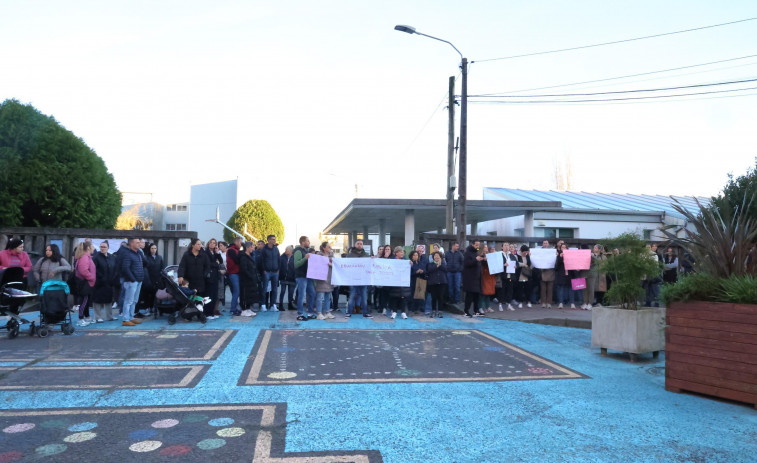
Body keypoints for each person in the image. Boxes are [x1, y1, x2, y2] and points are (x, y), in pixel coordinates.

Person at [177, 238, 211, 310]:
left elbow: (208, 266)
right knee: (189, 299)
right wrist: (180, 276)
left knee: (199, 299)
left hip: (200, 281)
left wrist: (204, 275)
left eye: (200, 244)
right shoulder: (186, 255)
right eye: (198, 244)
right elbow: (182, 266)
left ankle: (199, 315)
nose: (200, 246)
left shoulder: (203, 255)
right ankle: (188, 316)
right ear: (193, 245)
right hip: (189, 281)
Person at [120, 238, 145, 327]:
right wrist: (132, 279)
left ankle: (131, 317)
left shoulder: (139, 253)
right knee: (128, 301)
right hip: (132, 281)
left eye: (139, 242)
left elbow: (145, 263)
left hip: (138, 280)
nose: (139, 244)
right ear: (131, 244)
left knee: (134, 300)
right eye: (137, 243)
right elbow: (125, 268)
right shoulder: (127, 254)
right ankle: (125, 319)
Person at [345, 239, 371, 318]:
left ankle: (365, 313)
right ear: (355, 245)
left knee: (364, 297)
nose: (359, 245)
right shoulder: (349, 255)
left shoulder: (367, 255)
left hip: (363, 279)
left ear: (362, 245)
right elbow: (345, 265)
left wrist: (373, 259)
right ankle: (349, 312)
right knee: (352, 296)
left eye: (361, 244)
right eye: (358, 243)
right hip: (353, 279)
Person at [92, 241, 117, 322]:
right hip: (99, 282)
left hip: (109, 282)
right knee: (97, 300)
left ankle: (109, 316)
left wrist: (113, 278)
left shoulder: (111, 257)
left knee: (109, 299)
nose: (102, 248)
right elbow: (94, 269)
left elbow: (115, 268)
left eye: (104, 247)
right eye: (101, 247)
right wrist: (101, 277)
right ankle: (98, 317)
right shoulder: (96, 257)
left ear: (108, 248)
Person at [293, 236, 316, 321]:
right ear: (303, 242)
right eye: (307, 241)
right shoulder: (298, 251)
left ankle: (310, 313)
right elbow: (296, 264)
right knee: (301, 295)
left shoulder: (305, 251)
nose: (309, 242)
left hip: (307, 276)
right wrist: (305, 258)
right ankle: (300, 314)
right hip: (301, 276)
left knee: (312, 293)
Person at [74, 242, 96, 326]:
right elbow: (83, 271)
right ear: (88, 248)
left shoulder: (87, 257)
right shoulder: (84, 257)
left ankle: (87, 317)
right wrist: (91, 277)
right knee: (84, 301)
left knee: (87, 300)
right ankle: (80, 318)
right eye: (92, 246)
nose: (94, 248)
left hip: (87, 282)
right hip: (85, 282)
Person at [314, 242, 337, 320]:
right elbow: (315, 265)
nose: (330, 248)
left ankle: (327, 312)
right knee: (320, 297)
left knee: (328, 296)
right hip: (321, 279)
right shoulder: (319, 255)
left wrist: (332, 264)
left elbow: (336, 265)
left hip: (329, 278)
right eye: (328, 246)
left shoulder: (332, 255)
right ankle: (319, 313)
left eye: (330, 246)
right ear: (324, 248)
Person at [258, 234, 280, 312]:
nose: (274, 240)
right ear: (269, 240)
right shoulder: (264, 249)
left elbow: (278, 259)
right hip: (267, 272)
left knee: (274, 289)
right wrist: (264, 270)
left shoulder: (276, 249)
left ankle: (273, 305)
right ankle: (263, 305)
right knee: (264, 289)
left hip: (275, 272)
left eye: (275, 239)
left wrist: (278, 269)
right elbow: (261, 260)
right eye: (273, 239)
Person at [462, 240, 484, 318]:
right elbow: (467, 264)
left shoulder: (476, 252)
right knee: (469, 295)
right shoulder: (468, 253)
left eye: (478, 245)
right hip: (470, 278)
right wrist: (476, 260)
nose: (477, 247)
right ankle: (466, 311)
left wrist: (481, 259)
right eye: (476, 245)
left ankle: (476, 311)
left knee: (477, 295)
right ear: (472, 244)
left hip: (477, 277)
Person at [388, 246, 410, 319]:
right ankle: (394, 312)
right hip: (394, 281)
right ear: (396, 253)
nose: (402, 253)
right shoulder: (391, 260)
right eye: (401, 251)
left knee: (403, 297)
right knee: (395, 297)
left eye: (403, 252)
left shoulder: (406, 261)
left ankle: (403, 312)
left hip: (403, 282)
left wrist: (411, 264)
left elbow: (410, 269)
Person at [239, 241, 260, 317]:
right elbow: (244, 269)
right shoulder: (243, 257)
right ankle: (244, 309)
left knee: (250, 295)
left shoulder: (250, 256)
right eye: (252, 246)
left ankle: (248, 308)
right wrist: (250, 276)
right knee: (245, 294)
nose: (253, 248)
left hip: (251, 279)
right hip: (245, 280)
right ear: (247, 247)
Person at [143, 242, 165, 315]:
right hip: (148, 278)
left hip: (157, 279)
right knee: (147, 294)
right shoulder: (146, 257)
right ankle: (147, 308)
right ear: (149, 249)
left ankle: (153, 308)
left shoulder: (159, 257)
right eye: (152, 248)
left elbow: (162, 267)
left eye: (155, 248)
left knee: (155, 294)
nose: (153, 250)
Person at [204, 238, 223, 319]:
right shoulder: (206, 253)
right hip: (209, 277)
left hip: (215, 276)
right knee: (209, 295)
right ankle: (207, 313)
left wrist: (217, 252)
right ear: (208, 244)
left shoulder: (215, 253)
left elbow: (221, 261)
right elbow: (209, 264)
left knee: (214, 295)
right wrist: (216, 264)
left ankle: (212, 312)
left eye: (214, 243)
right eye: (211, 242)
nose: (212, 244)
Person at [426, 250, 447, 318]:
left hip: (442, 282)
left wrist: (440, 264)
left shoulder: (444, 263)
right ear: (433, 257)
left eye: (438, 256)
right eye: (435, 256)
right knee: (434, 298)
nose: (436, 257)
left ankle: (440, 311)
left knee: (440, 297)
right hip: (433, 283)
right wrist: (437, 265)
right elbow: (430, 270)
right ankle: (433, 311)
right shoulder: (430, 264)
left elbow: (446, 269)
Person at [586, 244, 607, 309]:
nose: (594, 249)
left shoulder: (604, 257)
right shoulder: (592, 255)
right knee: (593, 288)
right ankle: (592, 302)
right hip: (593, 274)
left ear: (599, 249)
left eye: (595, 248)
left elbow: (606, 265)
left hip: (601, 274)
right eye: (594, 247)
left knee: (601, 289)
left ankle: (599, 302)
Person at [226, 237, 243, 316]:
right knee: (236, 291)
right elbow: (237, 260)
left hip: (236, 273)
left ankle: (235, 308)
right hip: (233, 273)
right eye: (240, 242)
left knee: (236, 292)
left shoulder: (235, 250)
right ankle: (233, 309)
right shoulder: (231, 250)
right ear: (236, 242)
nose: (241, 244)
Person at [480, 244, 497, 314]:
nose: (486, 248)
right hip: (484, 275)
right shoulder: (481, 256)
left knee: (488, 292)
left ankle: (487, 307)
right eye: (485, 247)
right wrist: (484, 260)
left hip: (490, 275)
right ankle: (480, 307)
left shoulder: (490, 255)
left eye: (487, 247)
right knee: (483, 292)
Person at [279, 245, 296, 310]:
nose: (285, 251)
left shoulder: (294, 258)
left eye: (287, 250)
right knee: (282, 291)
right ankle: (281, 305)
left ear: (291, 251)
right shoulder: (282, 257)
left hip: (292, 278)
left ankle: (290, 305)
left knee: (291, 292)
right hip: (284, 277)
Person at [516, 245, 533, 309]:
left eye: (526, 252)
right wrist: (524, 265)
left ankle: (528, 301)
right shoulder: (517, 256)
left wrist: (531, 266)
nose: (525, 253)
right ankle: (520, 302)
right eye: (524, 252)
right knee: (520, 289)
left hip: (527, 275)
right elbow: (517, 263)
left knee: (528, 289)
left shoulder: (528, 257)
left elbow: (531, 263)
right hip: (520, 275)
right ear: (521, 251)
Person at [409, 250, 426, 314]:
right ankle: (411, 309)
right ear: (411, 256)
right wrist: (416, 272)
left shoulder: (420, 263)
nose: (415, 256)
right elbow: (408, 273)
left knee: (420, 296)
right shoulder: (410, 263)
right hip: (413, 280)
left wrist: (422, 271)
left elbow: (425, 270)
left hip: (420, 280)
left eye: (416, 255)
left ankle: (418, 309)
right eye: (414, 255)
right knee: (412, 295)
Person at [540, 241, 555, 308]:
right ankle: (543, 302)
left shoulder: (552, 251)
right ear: (542, 244)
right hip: (542, 272)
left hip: (550, 271)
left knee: (550, 288)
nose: (545, 244)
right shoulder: (539, 252)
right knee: (543, 289)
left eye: (546, 243)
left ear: (548, 244)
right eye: (544, 243)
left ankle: (549, 302)